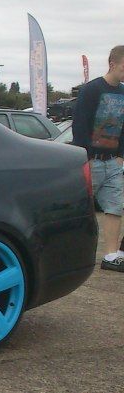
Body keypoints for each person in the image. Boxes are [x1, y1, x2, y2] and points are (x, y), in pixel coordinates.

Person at [72, 45, 124, 271]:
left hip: (113, 161)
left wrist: (121, 155)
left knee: (115, 207)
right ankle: (71, 252)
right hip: (91, 160)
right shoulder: (92, 90)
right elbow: (80, 124)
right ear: (112, 64)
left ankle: (111, 255)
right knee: (81, 208)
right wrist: (87, 156)